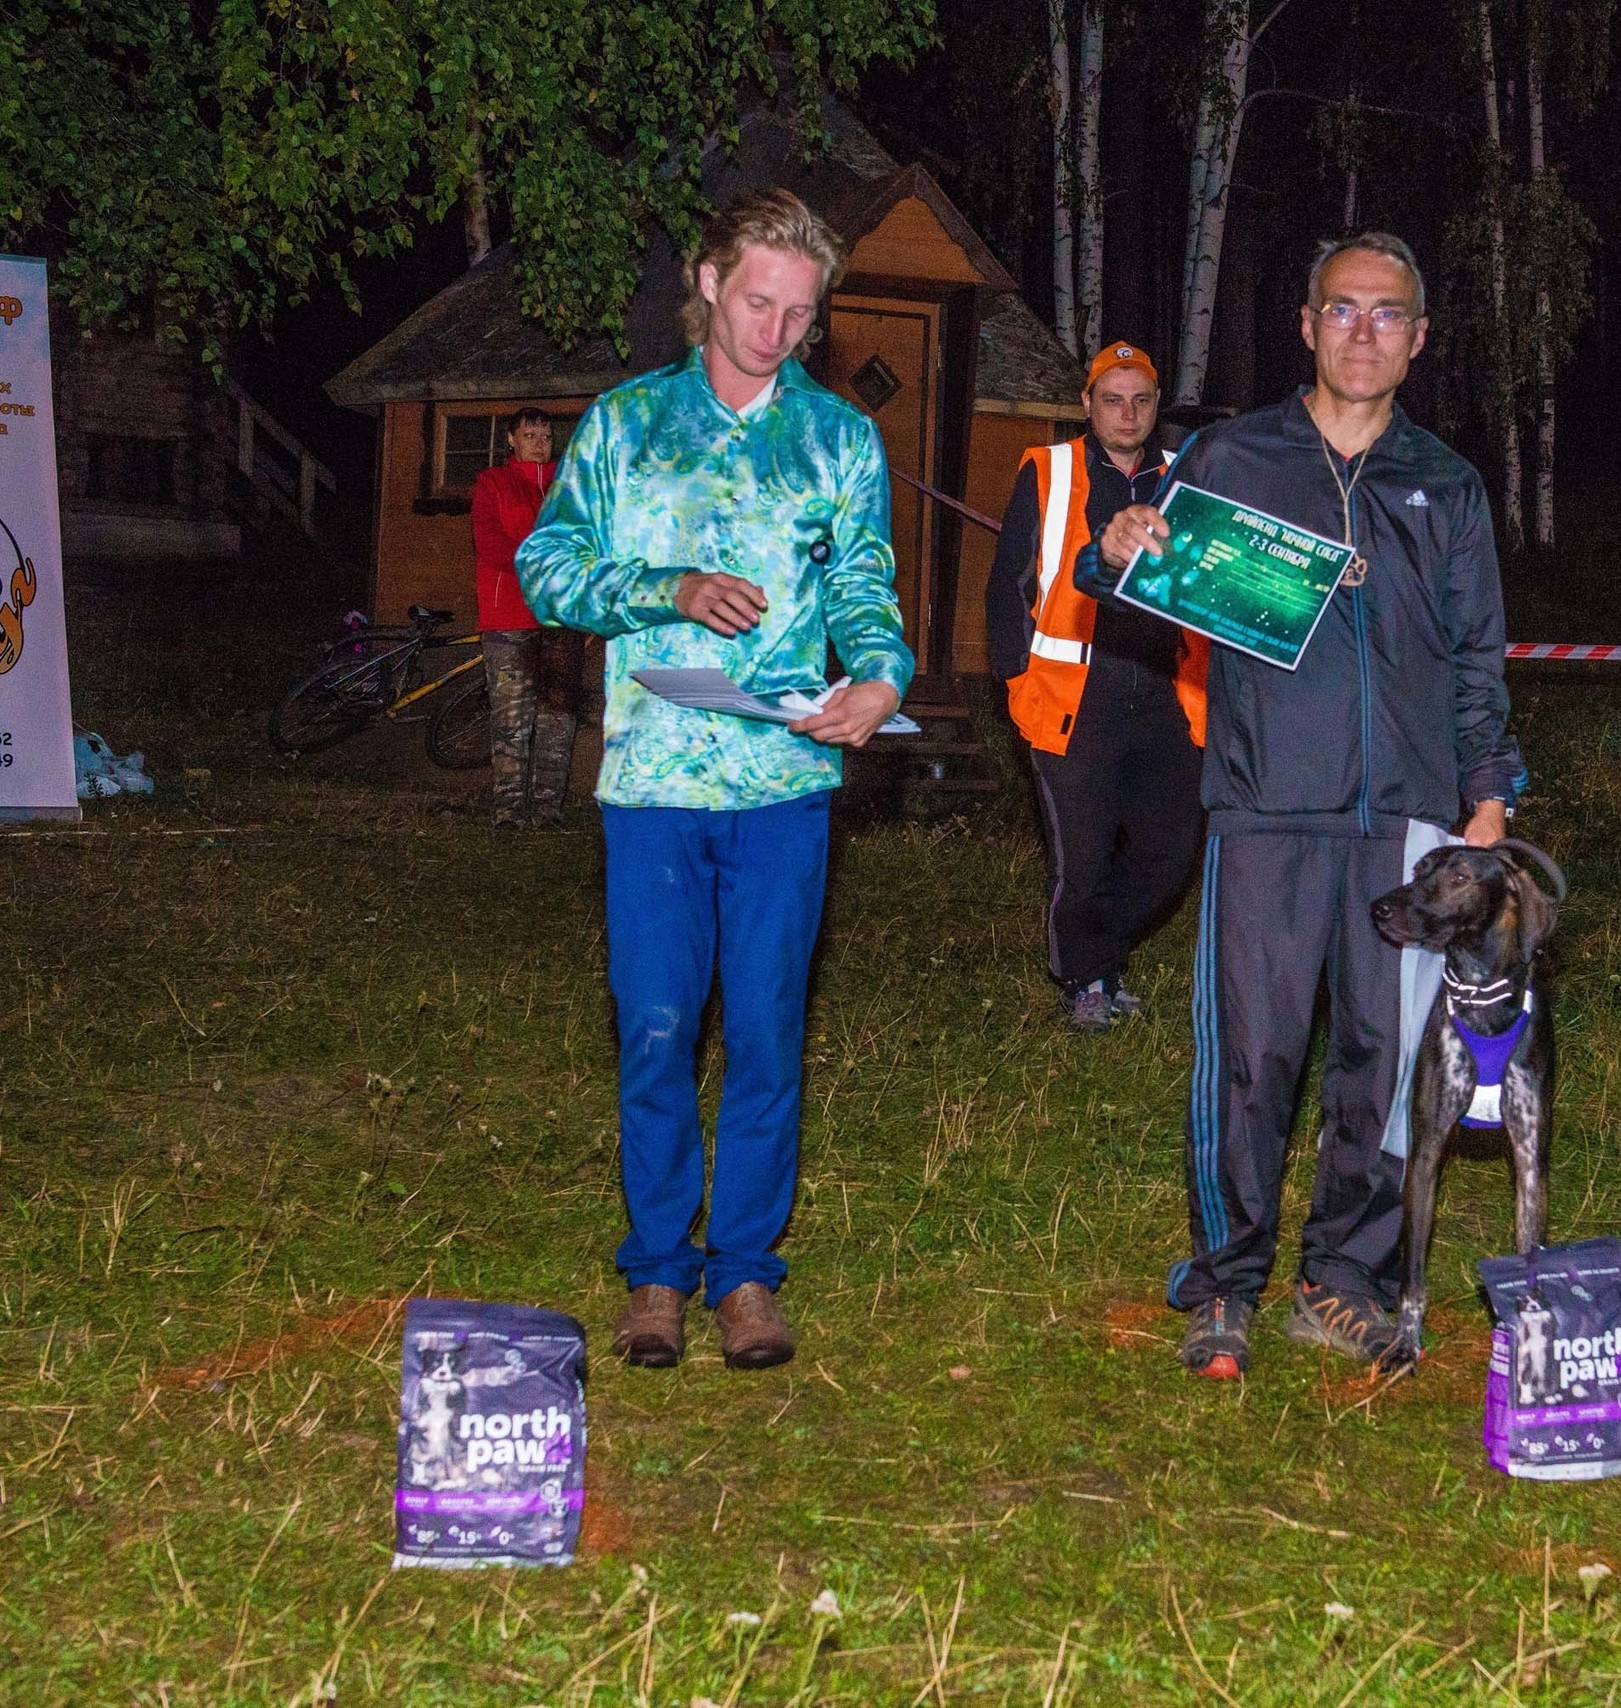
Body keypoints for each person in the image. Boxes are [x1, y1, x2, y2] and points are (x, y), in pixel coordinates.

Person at [1089, 232, 1528, 1377]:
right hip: (1267, 809)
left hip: (1411, 828)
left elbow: (1478, 653)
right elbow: (1128, 566)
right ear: (1305, 322)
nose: (1363, 331)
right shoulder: (1233, 456)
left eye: (1388, 315)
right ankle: (1223, 1284)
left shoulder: (1445, 482)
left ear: (1419, 339)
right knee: (1254, 1055)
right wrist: (1116, 541)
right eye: (1343, 309)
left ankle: (1342, 1280)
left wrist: (1488, 792)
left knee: (1385, 1069)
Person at [515, 189, 911, 1372]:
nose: (774, 330)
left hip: (785, 782)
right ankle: (654, 1271)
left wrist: (880, 682)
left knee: (770, 1033)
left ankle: (744, 1272)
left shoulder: (840, 440)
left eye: (799, 313)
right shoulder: (627, 423)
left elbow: (866, 593)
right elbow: (547, 567)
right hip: (651, 781)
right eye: (756, 301)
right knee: (655, 1027)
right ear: (705, 281)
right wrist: (666, 588)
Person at [987, 342, 1208, 1034]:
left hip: (1167, 695)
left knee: (1169, 853)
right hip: (1072, 695)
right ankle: (1083, 976)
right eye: (1112, 399)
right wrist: (1014, 681)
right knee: (1080, 858)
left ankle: (1100, 951)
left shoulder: (1187, 477)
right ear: (1087, 405)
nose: (1127, 412)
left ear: (1156, 405)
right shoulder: (1047, 469)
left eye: (1141, 399)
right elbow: (1008, 586)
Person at [472, 408, 581, 828]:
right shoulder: (492, 483)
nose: (539, 441)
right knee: (511, 719)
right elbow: (490, 542)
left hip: (559, 620)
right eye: (530, 433)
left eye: (546, 435)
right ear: (512, 441)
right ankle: (508, 811)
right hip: (508, 618)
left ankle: (548, 809)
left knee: (557, 719)